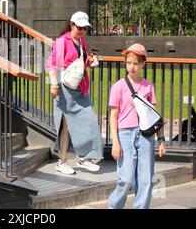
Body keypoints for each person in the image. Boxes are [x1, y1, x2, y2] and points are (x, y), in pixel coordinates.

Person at [108, 43, 167, 209]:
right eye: (128, 63)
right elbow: (113, 116)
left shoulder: (148, 86)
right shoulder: (118, 86)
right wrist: (115, 143)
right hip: (125, 135)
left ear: (142, 64)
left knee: (146, 179)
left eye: (135, 63)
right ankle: (114, 206)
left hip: (146, 136)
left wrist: (161, 140)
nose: (131, 67)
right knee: (126, 179)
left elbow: (154, 116)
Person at [45, 11, 103, 175]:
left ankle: (84, 158)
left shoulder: (81, 40)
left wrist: (91, 62)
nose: (83, 31)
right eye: (80, 27)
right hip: (65, 88)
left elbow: (79, 62)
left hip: (79, 87)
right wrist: (54, 85)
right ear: (71, 25)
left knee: (88, 120)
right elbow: (51, 63)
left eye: (85, 28)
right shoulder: (62, 41)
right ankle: (63, 161)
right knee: (66, 126)